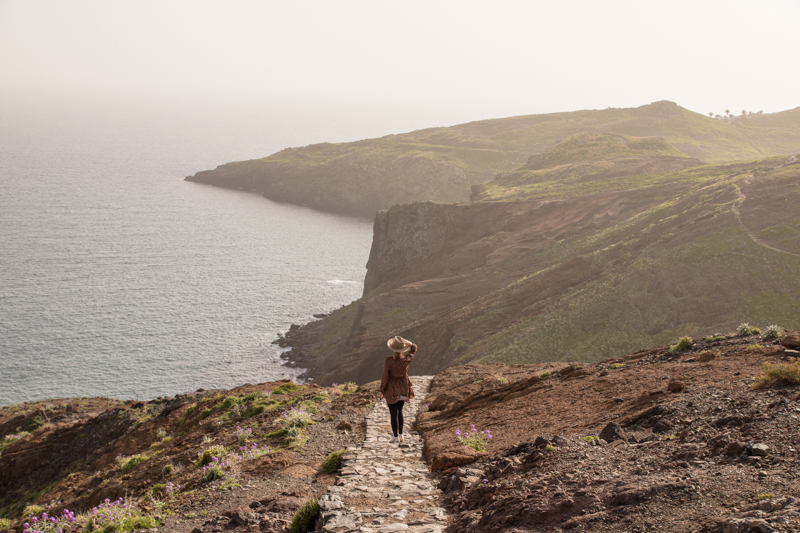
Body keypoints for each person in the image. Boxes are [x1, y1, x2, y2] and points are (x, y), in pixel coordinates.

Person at [379, 336, 417, 443]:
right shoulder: (406, 359)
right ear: (402, 349)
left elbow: (385, 376)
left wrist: (382, 390)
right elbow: (414, 349)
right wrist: (409, 343)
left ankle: (395, 436)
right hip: (403, 387)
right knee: (400, 412)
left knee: (393, 413)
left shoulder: (388, 360)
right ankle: (401, 435)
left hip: (391, 389)